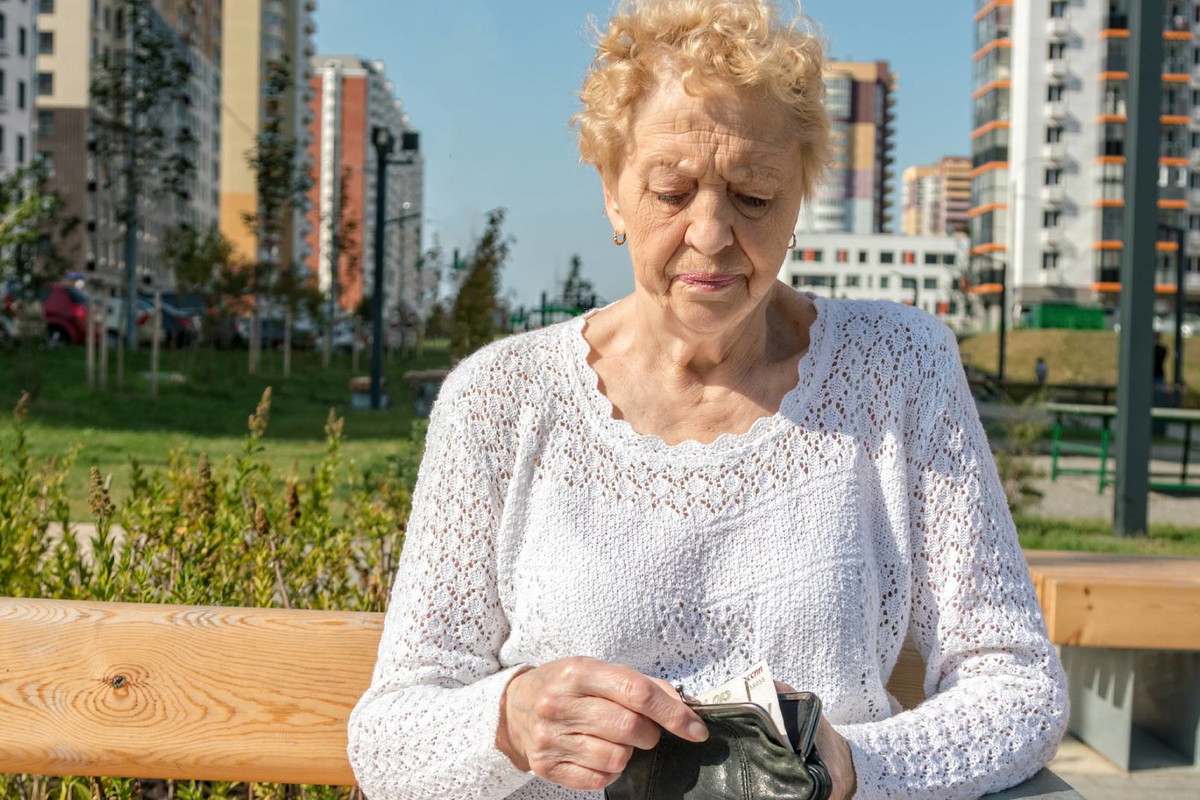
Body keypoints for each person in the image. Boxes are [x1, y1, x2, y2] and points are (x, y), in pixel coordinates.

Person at [346, 2, 1068, 798]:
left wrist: (857, 767)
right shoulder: (501, 397)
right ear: (613, 193)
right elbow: (390, 736)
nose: (713, 235)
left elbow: (1020, 685)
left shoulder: (899, 368)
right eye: (670, 192)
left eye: (754, 196)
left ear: (799, 197)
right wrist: (512, 717)